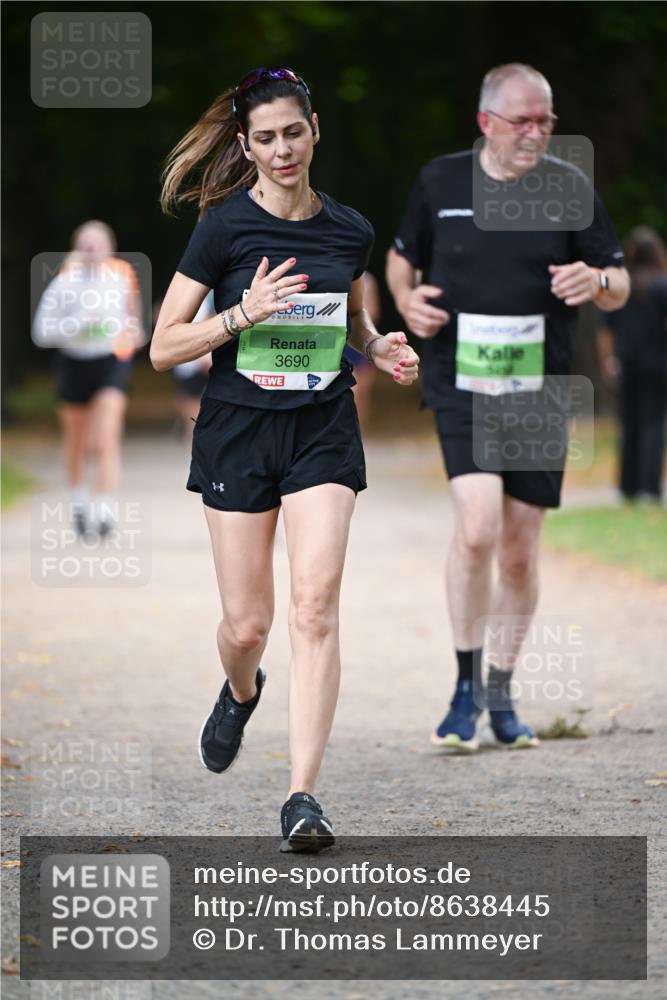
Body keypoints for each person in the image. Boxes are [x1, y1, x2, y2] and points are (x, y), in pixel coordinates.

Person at [151, 67, 419, 851]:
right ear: (245, 145)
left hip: (322, 428)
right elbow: (164, 346)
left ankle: (302, 795)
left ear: (313, 130)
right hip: (238, 428)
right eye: (264, 139)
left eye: (292, 133)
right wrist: (240, 313)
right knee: (248, 623)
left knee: (314, 607)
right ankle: (241, 689)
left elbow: (353, 318)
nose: (280, 150)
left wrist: (378, 345)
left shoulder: (349, 230)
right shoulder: (222, 229)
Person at [386, 63, 630, 752]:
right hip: (459, 381)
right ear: (485, 121)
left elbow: (616, 286)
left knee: (518, 554)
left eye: (545, 119)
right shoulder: (440, 182)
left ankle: (500, 686)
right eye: (522, 119)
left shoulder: (567, 188)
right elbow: (401, 262)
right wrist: (406, 301)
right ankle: (463, 688)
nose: (536, 131)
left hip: (537, 390)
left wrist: (600, 280)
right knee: (475, 529)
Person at [32, 220, 144, 537]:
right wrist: (79, 324)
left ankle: (105, 509)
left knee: (106, 438)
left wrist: (131, 335)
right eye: (87, 243)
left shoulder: (122, 276)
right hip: (73, 363)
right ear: (78, 248)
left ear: (110, 247)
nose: (93, 249)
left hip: (111, 363)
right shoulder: (64, 282)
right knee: (78, 442)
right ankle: (79, 502)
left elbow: (134, 324)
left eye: (98, 243)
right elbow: (41, 333)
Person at [596, 226, 667, 503]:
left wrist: (608, 360)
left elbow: (606, 329)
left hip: (626, 363)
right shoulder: (662, 286)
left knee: (628, 424)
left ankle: (626, 487)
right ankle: (649, 488)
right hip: (658, 364)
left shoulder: (620, 288)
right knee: (652, 424)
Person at [170, 291, 214, 444]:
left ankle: (193, 442)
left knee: (195, 410)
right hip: (187, 362)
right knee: (190, 405)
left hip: (200, 360)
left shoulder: (209, 296)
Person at [343, 271, 380, 429]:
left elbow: (372, 312)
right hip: (338, 340)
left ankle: (358, 429)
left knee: (360, 393)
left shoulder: (367, 280)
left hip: (357, 340)